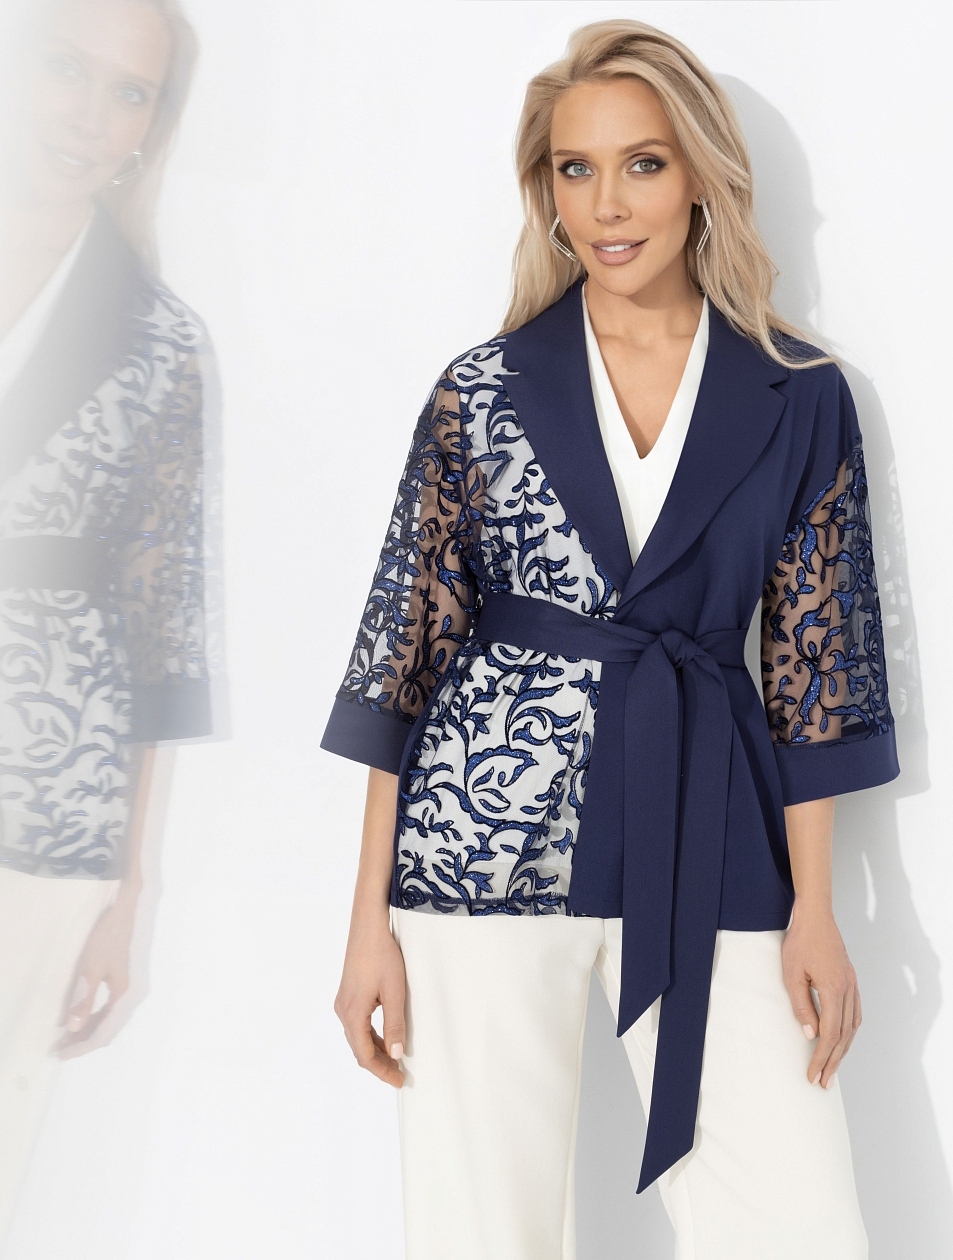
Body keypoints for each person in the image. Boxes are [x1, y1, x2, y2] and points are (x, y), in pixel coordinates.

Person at [323, 19, 897, 1260]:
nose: (607, 204)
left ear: (699, 175)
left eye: (642, 163)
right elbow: (401, 663)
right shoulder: (480, 390)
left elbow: (817, 673)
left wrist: (815, 909)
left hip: (709, 823)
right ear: (546, 191)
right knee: (481, 1234)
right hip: (482, 841)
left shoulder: (800, 393)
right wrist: (368, 921)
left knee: (799, 1224)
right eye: (574, 169)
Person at [0, 0, 210, 1239]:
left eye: (129, 92)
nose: (89, 115)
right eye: (66, 70)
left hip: (42, 814)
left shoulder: (158, 343)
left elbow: (161, 637)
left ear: (150, 128)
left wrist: (130, 892)